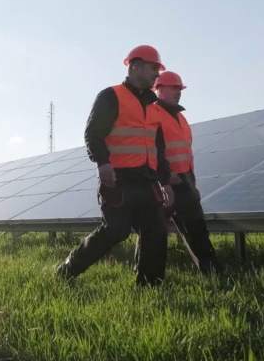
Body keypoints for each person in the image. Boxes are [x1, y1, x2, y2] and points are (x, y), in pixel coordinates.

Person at [56, 45, 176, 286]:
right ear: (135, 66)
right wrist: (103, 164)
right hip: (118, 180)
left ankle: (150, 286)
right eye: (153, 68)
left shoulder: (154, 108)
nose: (156, 74)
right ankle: (66, 271)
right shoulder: (111, 96)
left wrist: (165, 181)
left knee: (156, 230)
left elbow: (158, 150)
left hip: (148, 182)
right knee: (116, 230)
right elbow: (93, 133)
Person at [152, 71, 223, 275]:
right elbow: (153, 150)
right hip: (162, 182)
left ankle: (211, 272)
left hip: (184, 182)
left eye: (179, 89)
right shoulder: (154, 114)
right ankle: (147, 277)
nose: (178, 92)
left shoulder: (182, 119)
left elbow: (186, 154)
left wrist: (192, 183)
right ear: (159, 89)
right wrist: (164, 178)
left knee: (197, 228)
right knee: (154, 232)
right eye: (174, 88)